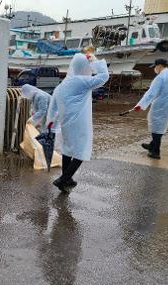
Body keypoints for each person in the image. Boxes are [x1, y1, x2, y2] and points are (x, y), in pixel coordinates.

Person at [48, 53, 109, 191]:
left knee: (68, 150)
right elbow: (104, 76)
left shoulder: (64, 83)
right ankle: (63, 179)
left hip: (66, 123)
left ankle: (67, 179)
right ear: (84, 67)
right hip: (80, 123)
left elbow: (53, 106)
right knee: (81, 151)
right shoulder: (81, 81)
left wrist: (52, 125)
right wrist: (95, 61)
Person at [133, 59, 168, 159]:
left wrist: (140, 105)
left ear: (159, 66)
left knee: (156, 127)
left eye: (155, 66)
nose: (155, 69)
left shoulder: (161, 77)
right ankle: (152, 145)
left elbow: (151, 93)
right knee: (160, 126)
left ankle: (155, 152)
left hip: (160, 104)